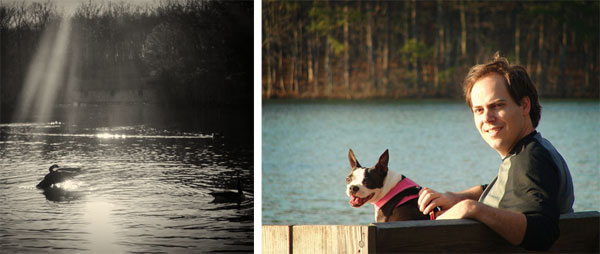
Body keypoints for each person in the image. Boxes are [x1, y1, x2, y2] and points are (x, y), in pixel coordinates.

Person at [418, 52, 574, 251]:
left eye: (498, 105)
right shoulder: (532, 150)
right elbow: (510, 187)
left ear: (524, 105)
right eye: (479, 110)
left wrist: (470, 208)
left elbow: (542, 232)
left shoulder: (530, 159)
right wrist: (457, 198)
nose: (487, 118)